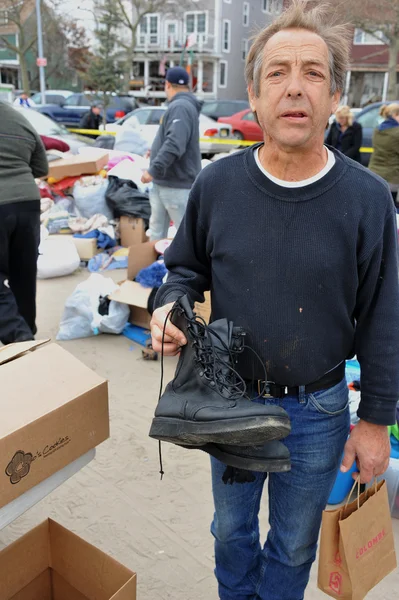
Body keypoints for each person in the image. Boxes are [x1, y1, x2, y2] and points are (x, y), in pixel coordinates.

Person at [149, 2, 399, 599]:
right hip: (229, 405)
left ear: (336, 95)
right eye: (278, 73)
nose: (295, 88)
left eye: (313, 73)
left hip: (319, 411)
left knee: (292, 545)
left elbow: (385, 318)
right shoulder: (218, 184)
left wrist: (375, 423)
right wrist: (170, 305)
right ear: (255, 97)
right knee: (230, 532)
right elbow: (182, 268)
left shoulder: (366, 201)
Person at [0, 101, 48, 345]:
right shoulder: (20, 119)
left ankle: (19, 338)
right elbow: (41, 167)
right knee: (24, 275)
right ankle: (27, 337)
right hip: (28, 203)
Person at [141, 66, 201, 241]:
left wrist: (153, 170)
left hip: (175, 184)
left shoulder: (180, 107)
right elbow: (173, 138)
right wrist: (155, 151)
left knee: (186, 238)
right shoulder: (182, 106)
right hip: (165, 182)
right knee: (157, 232)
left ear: (167, 84)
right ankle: (156, 267)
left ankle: (187, 268)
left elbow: (175, 144)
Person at [369, 103, 399, 209]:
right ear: (396, 115)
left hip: (374, 173)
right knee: (390, 210)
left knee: (376, 207)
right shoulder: (396, 132)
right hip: (391, 177)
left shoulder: (377, 129)